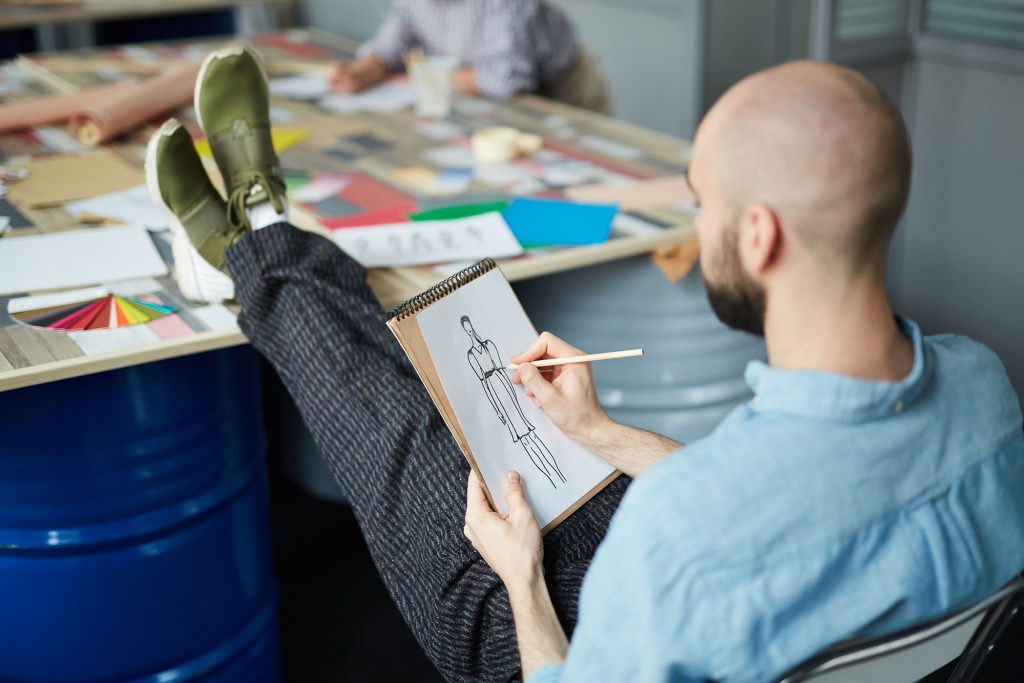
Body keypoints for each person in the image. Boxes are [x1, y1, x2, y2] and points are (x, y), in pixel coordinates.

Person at [148, 46, 1024, 682]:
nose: (695, 224)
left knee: (411, 455)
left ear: (759, 236)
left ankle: (257, 245)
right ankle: (262, 249)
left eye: (701, 202)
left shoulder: (683, 531)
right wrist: (602, 432)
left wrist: (522, 578)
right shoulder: (987, 388)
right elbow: (781, 498)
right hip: (755, 623)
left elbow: (709, 526)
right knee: (529, 460)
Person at [329, 0, 611, 113]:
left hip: (562, 84)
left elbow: (505, 81)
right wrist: (362, 72)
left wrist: (416, 77)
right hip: (479, 87)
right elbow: (389, 47)